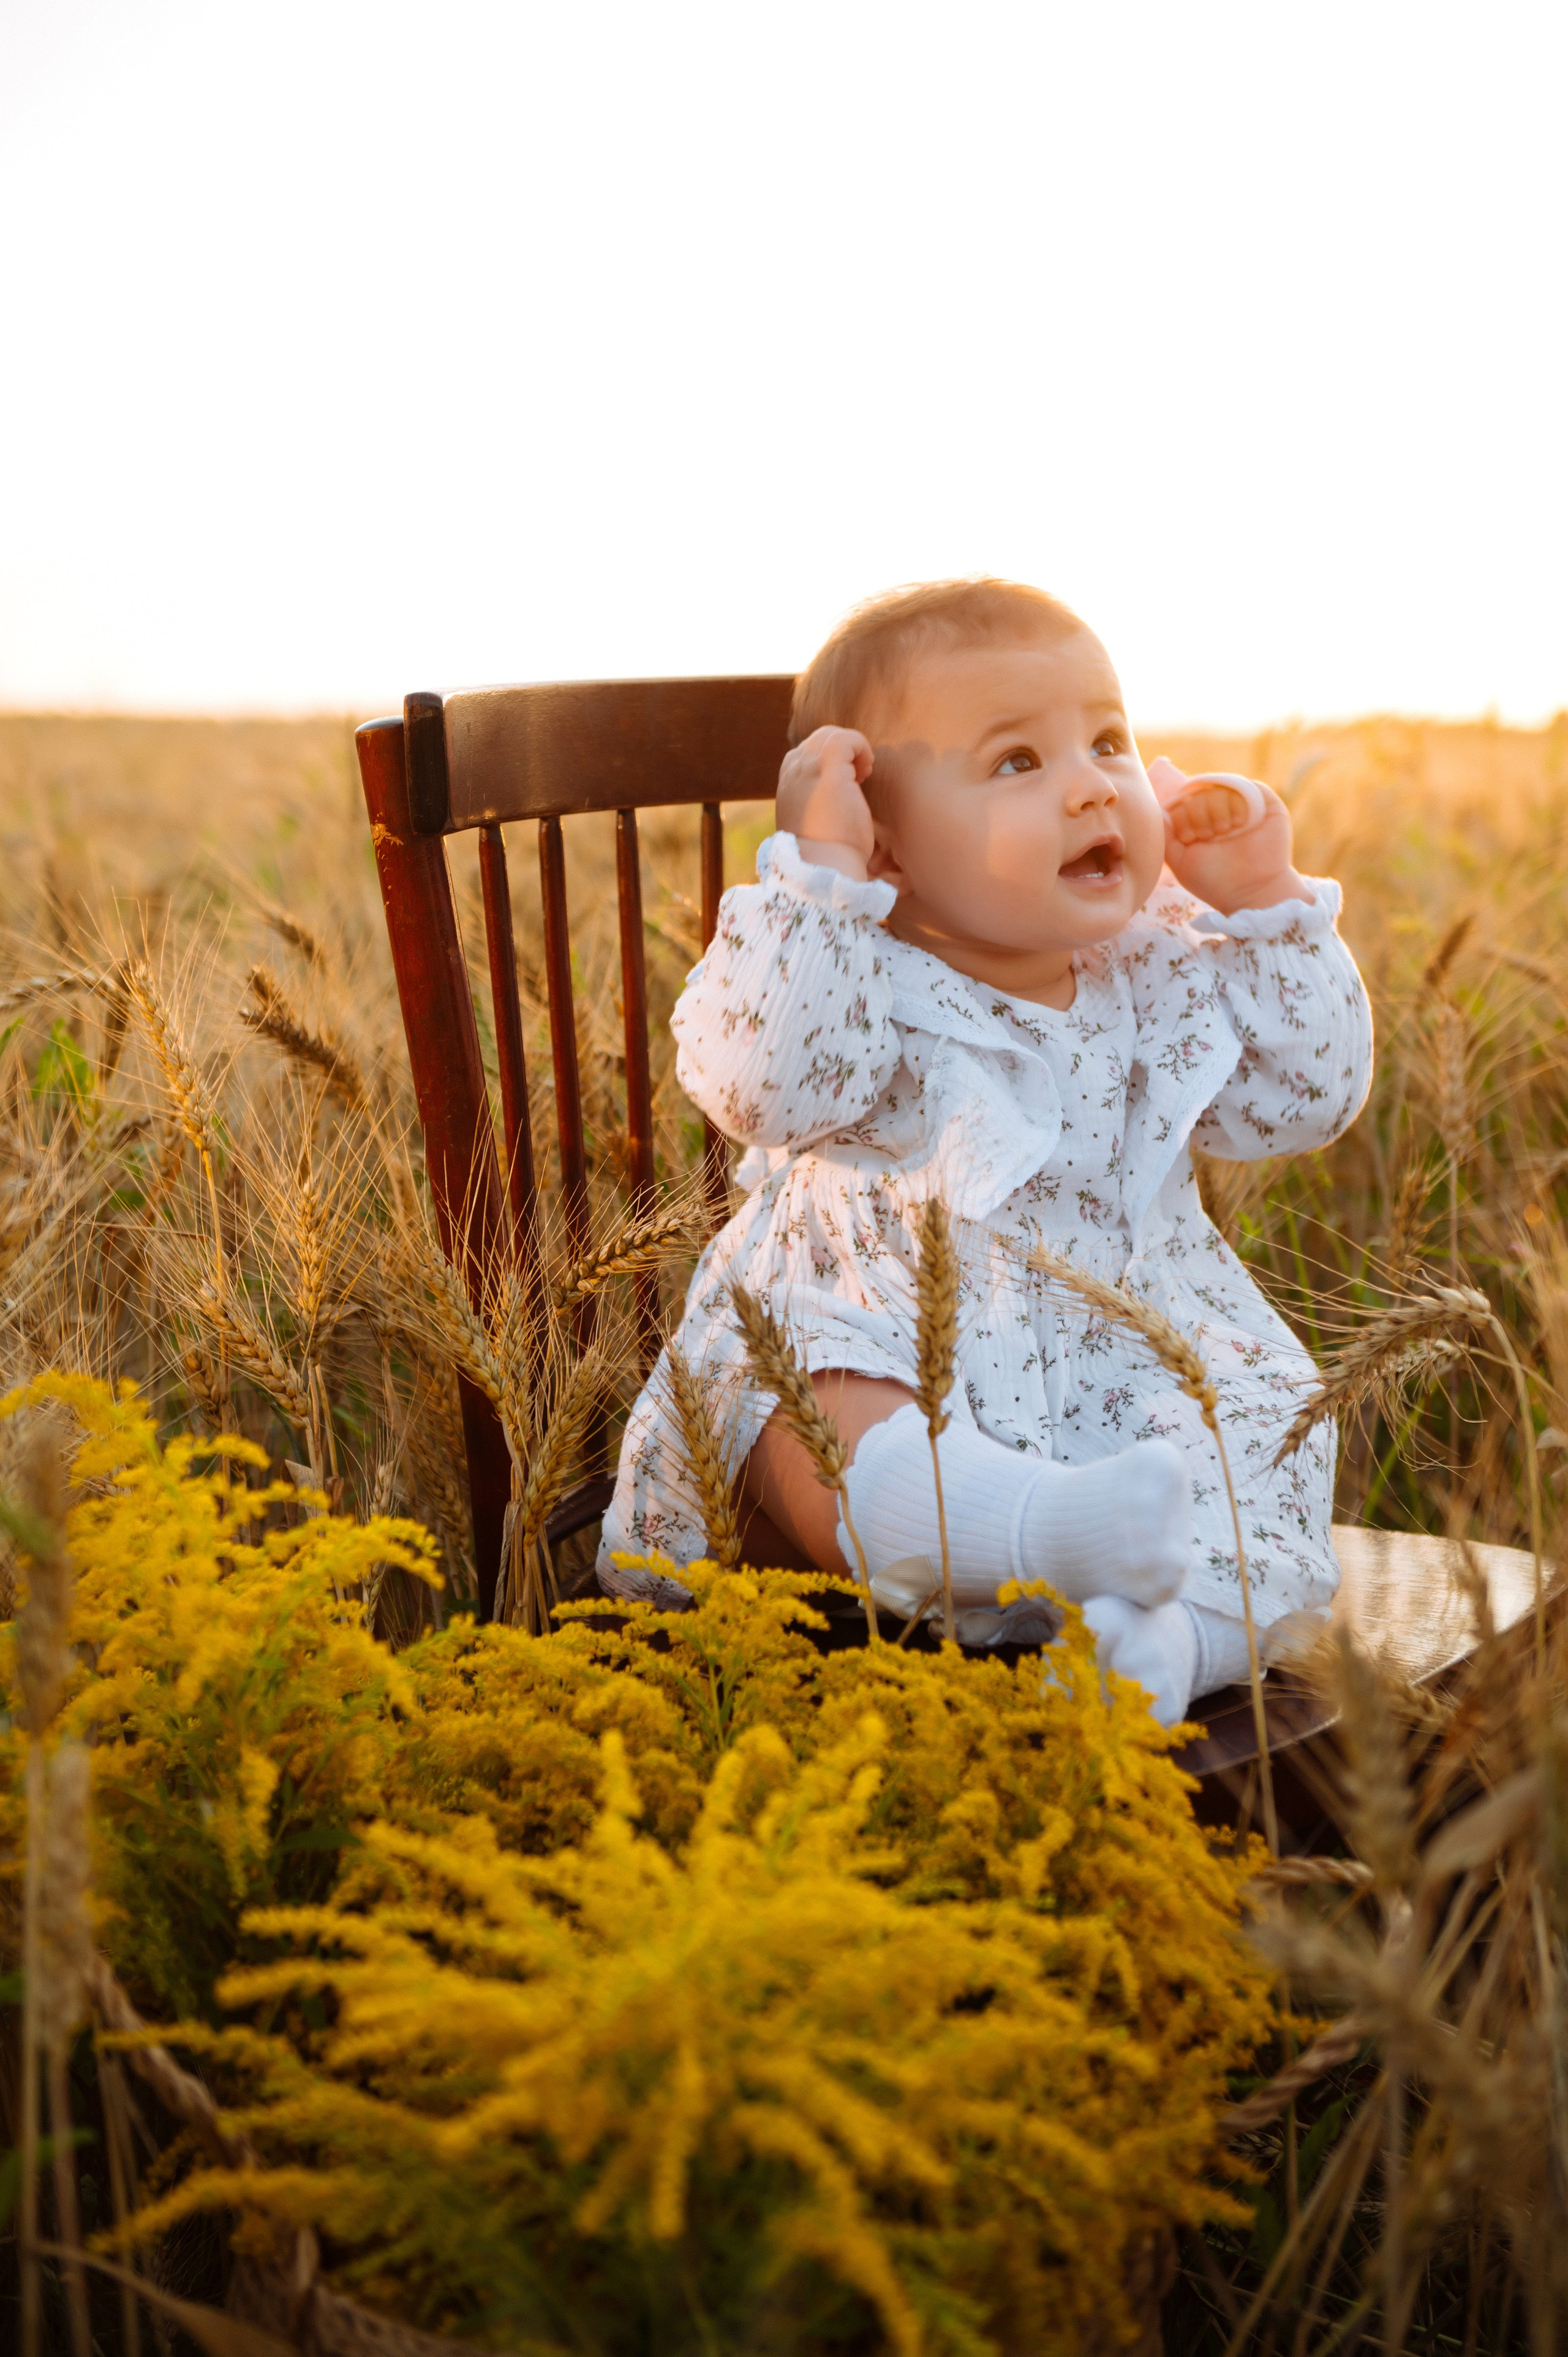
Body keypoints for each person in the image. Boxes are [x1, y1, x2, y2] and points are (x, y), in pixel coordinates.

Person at [597, 578, 1373, 1725]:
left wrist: (1265, 903)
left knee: (1263, 1447)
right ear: (891, 844)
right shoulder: (859, 975)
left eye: (1107, 740)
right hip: (888, 1324)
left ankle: (1164, 1645)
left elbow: (1304, 1100)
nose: (1090, 786)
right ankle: (1030, 1531)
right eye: (1019, 762)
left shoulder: (1154, 971)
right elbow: (755, 1084)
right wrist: (821, 877)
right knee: (803, 1391)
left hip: (1128, 1371)